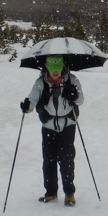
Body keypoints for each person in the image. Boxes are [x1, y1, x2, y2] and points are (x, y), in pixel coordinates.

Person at [20, 55, 83, 206]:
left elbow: (80, 100)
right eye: (53, 70)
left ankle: (69, 193)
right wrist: (26, 107)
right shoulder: (40, 83)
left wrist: (74, 96)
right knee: (49, 160)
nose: (56, 73)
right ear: (46, 67)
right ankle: (51, 192)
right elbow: (32, 100)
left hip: (68, 124)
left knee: (66, 159)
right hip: (48, 125)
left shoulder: (72, 80)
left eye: (59, 69)